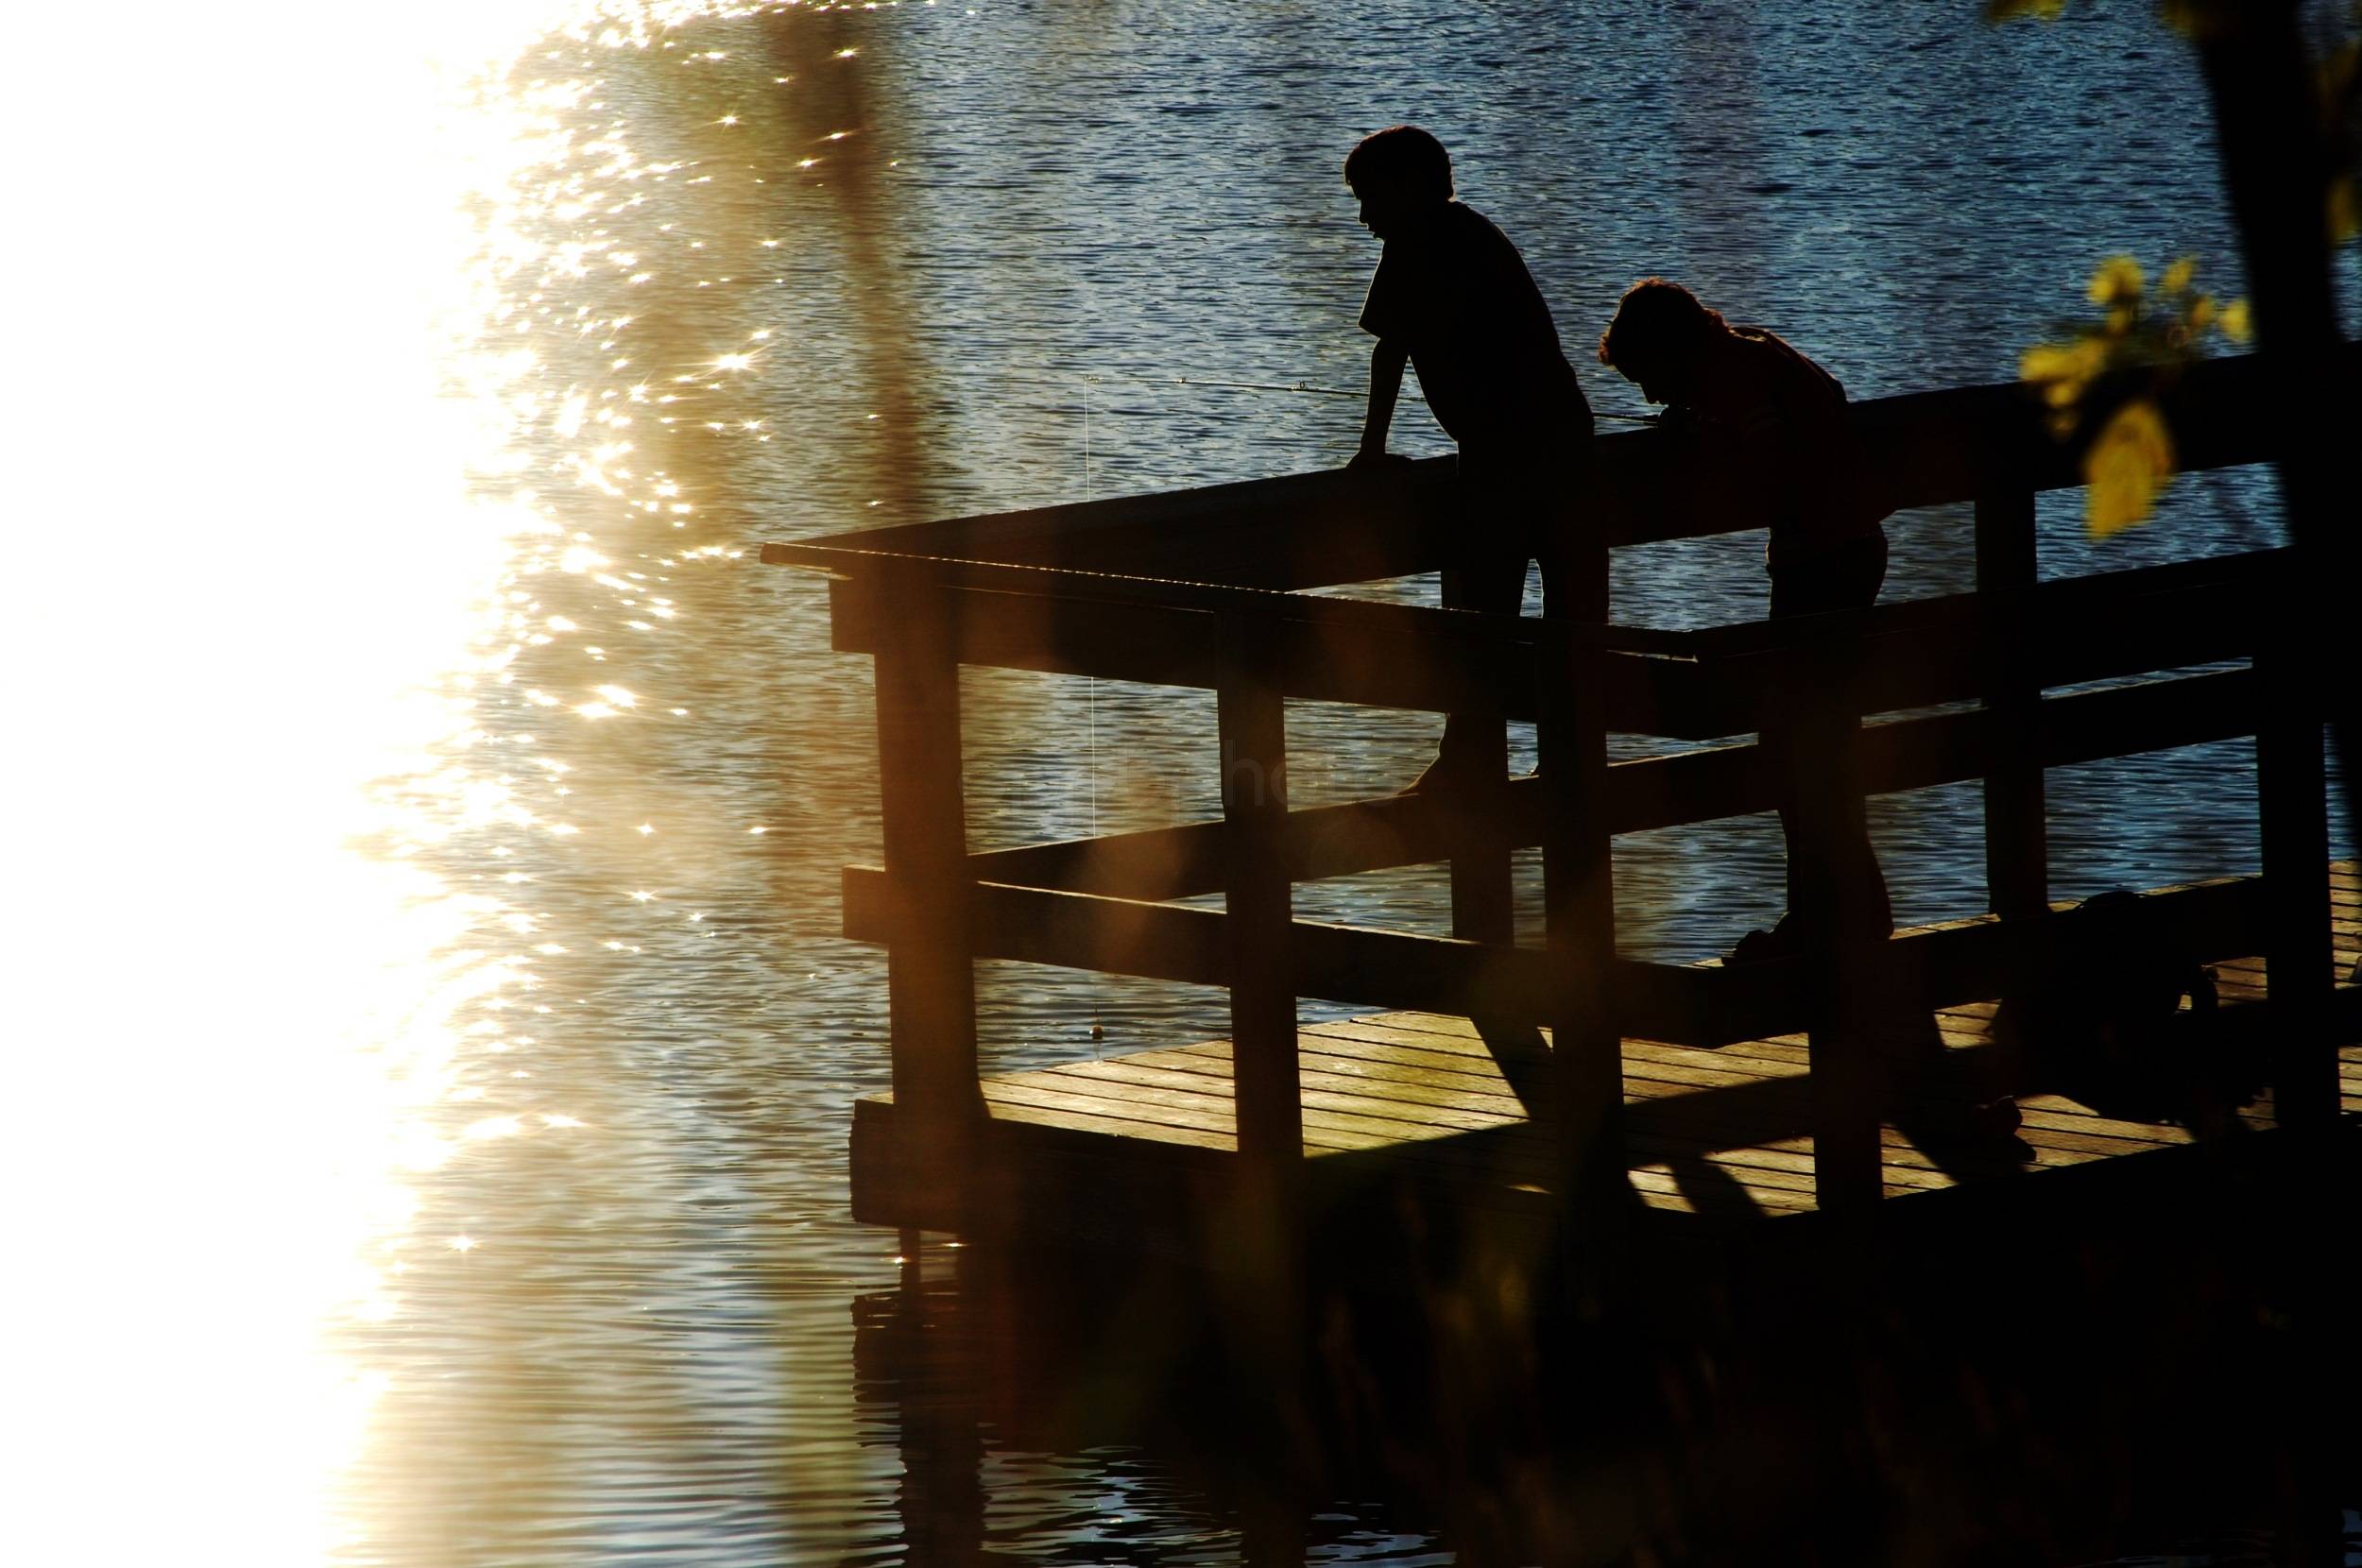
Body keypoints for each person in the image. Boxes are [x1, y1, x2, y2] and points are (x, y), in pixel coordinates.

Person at [1596, 278, 1893, 957]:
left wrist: (1706, 450)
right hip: (1850, 547)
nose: (1648, 397)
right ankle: (1845, 915)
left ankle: (1834, 921)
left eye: (1649, 377)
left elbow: (1770, 460)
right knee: (1815, 744)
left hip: (1822, 560)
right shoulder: (1755, 351)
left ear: (1673, 350)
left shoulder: (1731, 377)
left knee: (1797, 748)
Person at [1343, 125, 1597, 794]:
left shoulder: (1418, 239)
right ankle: (1567, 760)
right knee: (1566, 618)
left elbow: (1389, 350)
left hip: (1508, 452)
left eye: (1370, 198)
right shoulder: (1470, 231)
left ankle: (1472, 756)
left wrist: (1370, 450)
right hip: (1563, 440)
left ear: (1412, 188)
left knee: (1485, 615)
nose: (1364, 215)